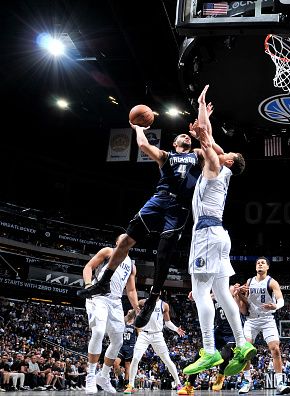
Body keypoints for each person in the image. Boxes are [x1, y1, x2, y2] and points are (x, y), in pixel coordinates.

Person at [77, 102, 224, 330]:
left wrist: (202, 127)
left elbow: (212, 149)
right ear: (175, 143)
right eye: (182, 136)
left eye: (188, 136)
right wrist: (137, 127)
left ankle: (153, 297)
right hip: (159, 200)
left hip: (180, 208)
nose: (186, 136)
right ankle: (104, 281)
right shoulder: (165, 156)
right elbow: (144, 145)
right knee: (125, 240)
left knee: (163, 255)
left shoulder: (197, 155)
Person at [182, 84, 253, 379]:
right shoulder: (223, 171)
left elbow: (210, 141)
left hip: (206, 235)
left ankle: (209, 349)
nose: (225, 151)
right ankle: (242, 344)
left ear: (228, 161)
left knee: (201, 293)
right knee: (222, 292)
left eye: (229, 153)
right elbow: (213, 142)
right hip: (221, 236)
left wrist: (201, 108)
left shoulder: (214, 166)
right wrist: (203, 125)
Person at [83, 234, 139, 394]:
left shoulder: (132, 265)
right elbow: (88, 267)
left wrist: (137, 308)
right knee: (99, 331)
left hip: (115, 301)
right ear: (116, 242)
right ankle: (91, 376)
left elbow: (131, 289)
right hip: (99, 296)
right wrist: (88, 286)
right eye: (122, 239)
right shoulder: (108, 251)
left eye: (127, 239)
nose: (125, 241)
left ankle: (104, 376)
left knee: (117, 341)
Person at [235, 256, 290, 395]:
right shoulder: (249, 281)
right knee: (245, 351)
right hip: (251, 319)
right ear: (256, 267)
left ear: (267, 267)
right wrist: (239, 293)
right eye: (258, 263)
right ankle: (247, 382)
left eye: (263, 263)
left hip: (267, 319)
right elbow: (245, 303)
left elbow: (281, 300)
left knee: (275, 349)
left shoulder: (272, 282)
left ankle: (279, 384)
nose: (260, 264)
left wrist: (275, 306)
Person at [178, 286, 241, 395]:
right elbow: (204, 296)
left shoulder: (235, 297)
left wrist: (238, 293)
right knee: (199, 357)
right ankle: (189, 386)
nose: (230, 288)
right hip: (219, 331)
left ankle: (220, 376)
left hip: (232, 333)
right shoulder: (217, 294)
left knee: (224, 355)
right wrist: (195, 296)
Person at [125, 297, 185, 393]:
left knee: (167, 360)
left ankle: (178, 384)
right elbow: (132, 314)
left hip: (157, 335)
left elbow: (168, 322)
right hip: (144, 334)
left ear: (159, 294)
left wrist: (176, 329)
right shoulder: (143, 302)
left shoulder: (164, 305)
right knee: (135, 358)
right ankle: (130, 385)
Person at [114, 310, 138, 391]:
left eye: (131, 312)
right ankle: (120, 379)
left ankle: (126, 383)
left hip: (130, 347)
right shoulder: (123, 322)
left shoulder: (136, 324)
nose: (129, 313)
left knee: (128, 366)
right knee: (115, 363)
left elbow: (140, 335)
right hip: (121, 345)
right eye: (128, 312)